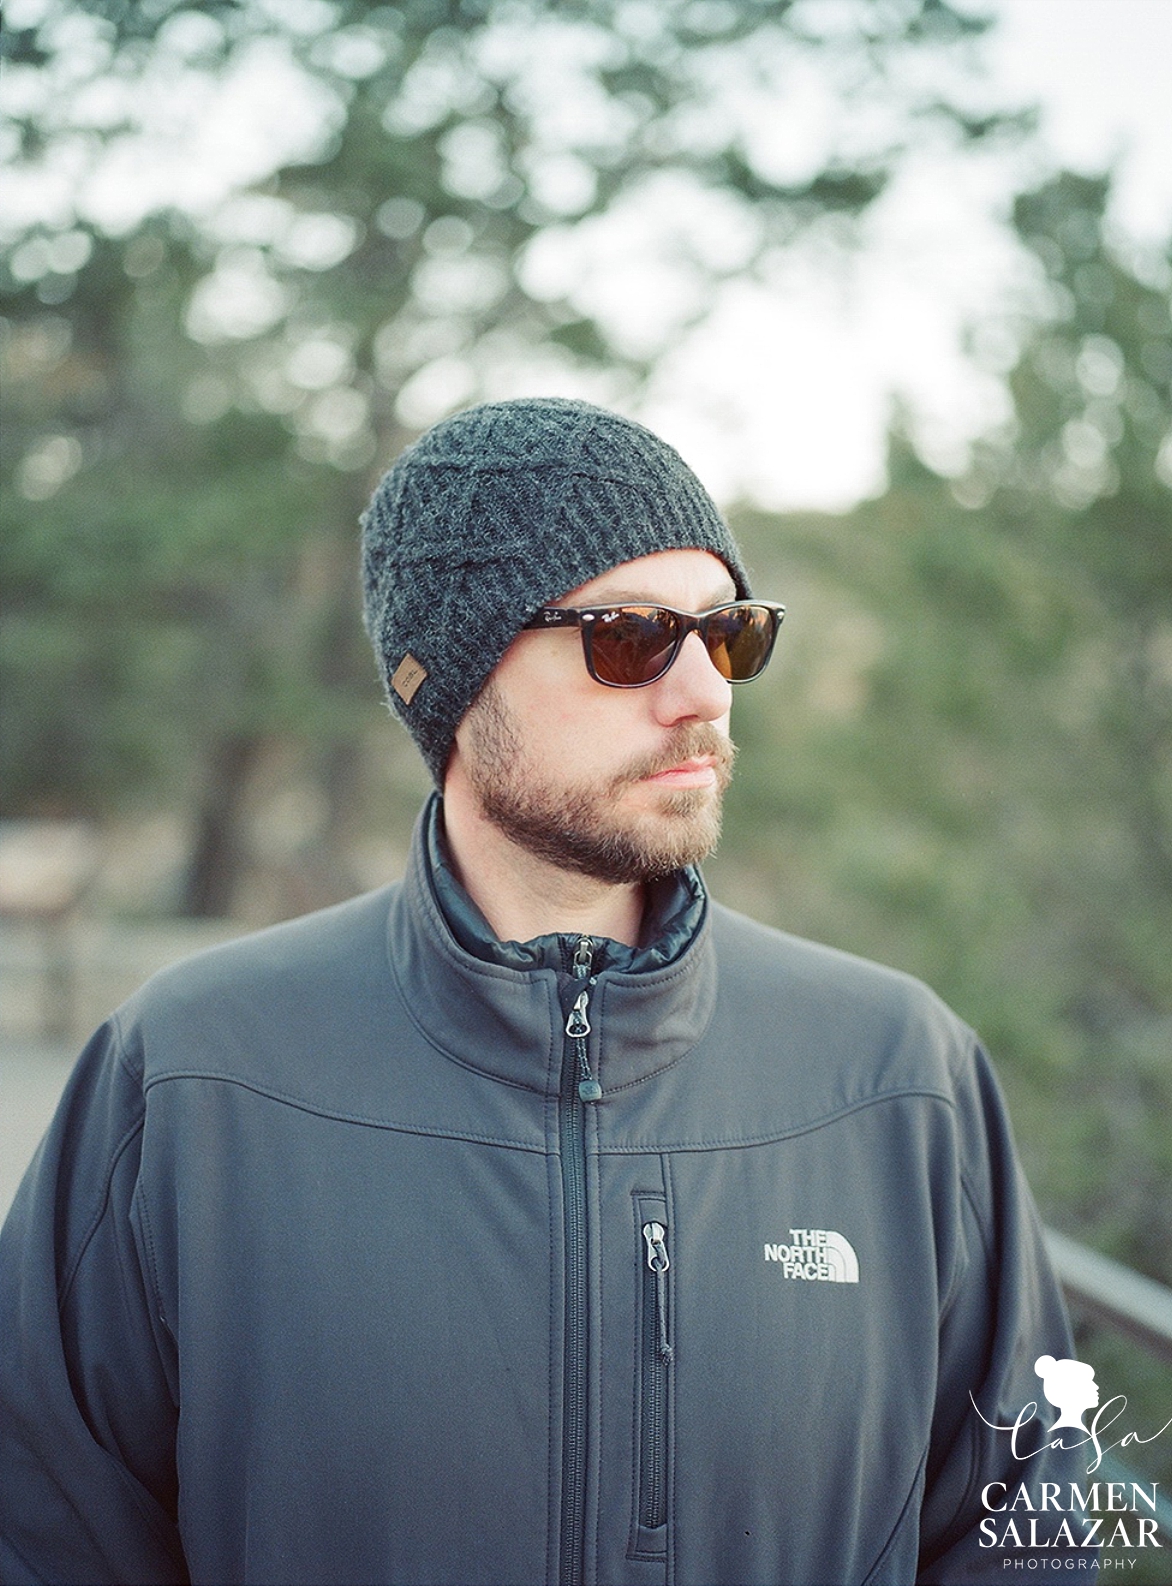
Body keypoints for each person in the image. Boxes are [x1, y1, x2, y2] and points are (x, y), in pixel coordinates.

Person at [1, 398, 1087, 1584]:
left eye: (730, 633)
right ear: (453, 681)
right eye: (629, 636)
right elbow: (49, 1529)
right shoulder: (194, 1072)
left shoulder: (896, 1072)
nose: (704, 693)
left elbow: (1026, 1527)